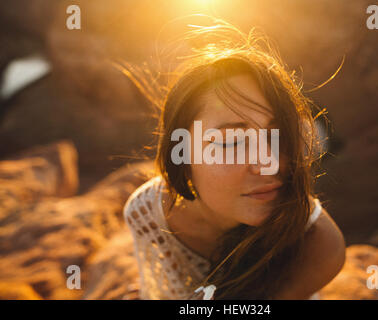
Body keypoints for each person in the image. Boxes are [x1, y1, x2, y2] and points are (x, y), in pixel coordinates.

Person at [122, 17, 346, 300]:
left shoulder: (319, 242)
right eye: (232, 142)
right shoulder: (149, 215)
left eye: (278, 135)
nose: (270, 163)